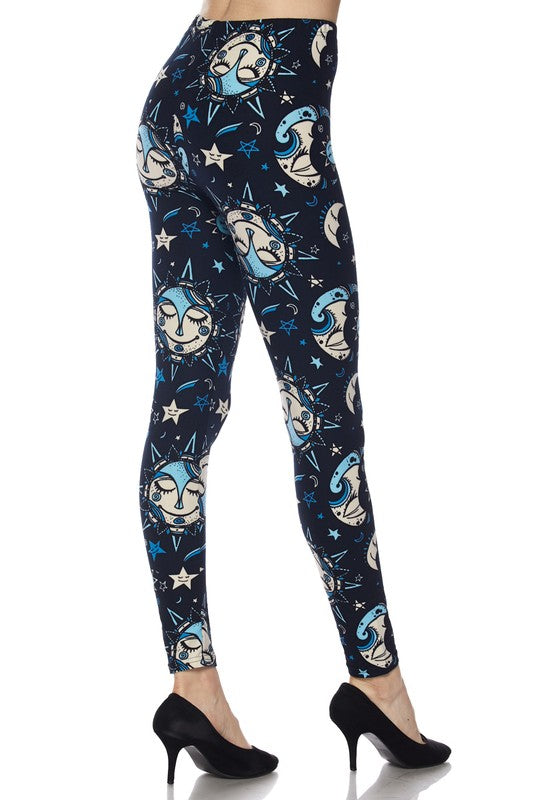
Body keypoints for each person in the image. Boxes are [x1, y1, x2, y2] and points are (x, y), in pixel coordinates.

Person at [136, 0, 451, 781]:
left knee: (183, 412)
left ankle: (193, 686)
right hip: (268, 94)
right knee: (324, 425)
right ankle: (377, 682)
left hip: (177, 89)